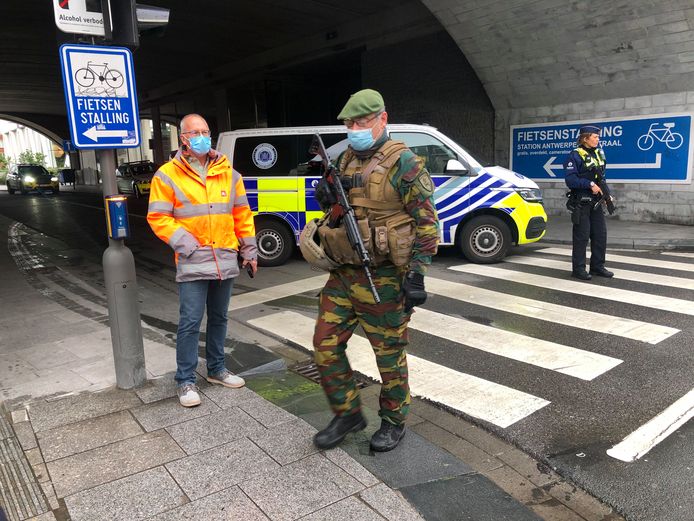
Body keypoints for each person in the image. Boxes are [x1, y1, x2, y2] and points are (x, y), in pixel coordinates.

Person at [305, 89, 439, 452]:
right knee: (324, 345)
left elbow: (427, 224)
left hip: (383, 276)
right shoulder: (346, 158)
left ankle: (394, 421)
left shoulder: (405, 163)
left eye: (362, 122)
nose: (355, 128)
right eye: (349, 123)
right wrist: (327, 195)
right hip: (343, 274)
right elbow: (336, 209)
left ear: (382, 118)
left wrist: (416, 275)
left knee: (389, 355)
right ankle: (347, 412)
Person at [147, 113, 258, 407]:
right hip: (193, 260)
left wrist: (249, 251)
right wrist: (187, 244)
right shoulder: (167, 175)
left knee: (220, 318)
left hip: (225, 258)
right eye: (195, 132)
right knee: (190, 322)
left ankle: (216, 369)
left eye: (205, 131)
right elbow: (158, 217)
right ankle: (185, 381)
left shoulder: (229, 173)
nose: (201, 136)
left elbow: (242, 216)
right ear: (183, 138)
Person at [564, 125, 614, 281]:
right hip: (582, 202)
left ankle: (597, 266)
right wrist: (590, 185)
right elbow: (570, 179)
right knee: (582, 236)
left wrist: (607, 195)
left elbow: (601, 178)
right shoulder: (575, 156)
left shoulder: (598, 154)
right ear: (585, 138)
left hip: (596, 203)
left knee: (600, 235)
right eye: (595, 137)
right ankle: (578, 269)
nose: (598, 139)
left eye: (598, 137)